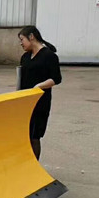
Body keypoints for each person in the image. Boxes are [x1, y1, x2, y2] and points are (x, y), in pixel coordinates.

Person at [18, 25, 62, 160]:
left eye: (22, 39)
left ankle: (34, 164)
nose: (21, 43)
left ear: (31, 37)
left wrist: (39, 86)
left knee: (34, 135)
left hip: (40, 102)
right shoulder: (25, 57)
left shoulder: (49, 56)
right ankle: (25, 162)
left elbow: (56, 78)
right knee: (24, 134)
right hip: (25, 101)